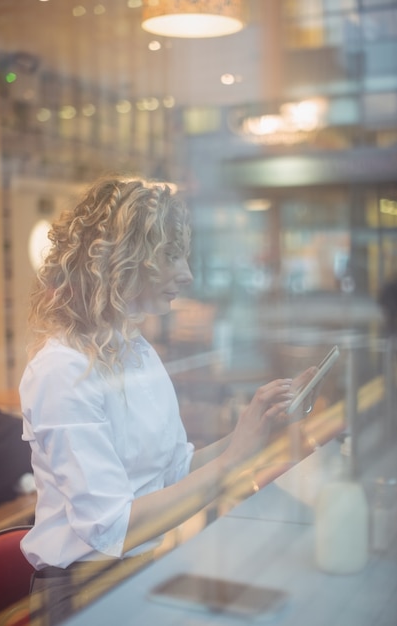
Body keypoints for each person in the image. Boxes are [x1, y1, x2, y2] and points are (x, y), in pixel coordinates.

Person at [19, 174, 313, 623]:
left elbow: (174, 470)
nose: (188, 274)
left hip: (142, 572)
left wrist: (253, 429)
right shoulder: (60, 372)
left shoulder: (138, 353)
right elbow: (112, 528)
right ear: (125, 259)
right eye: (171, 255)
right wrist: (233, 460)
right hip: (83, 591)